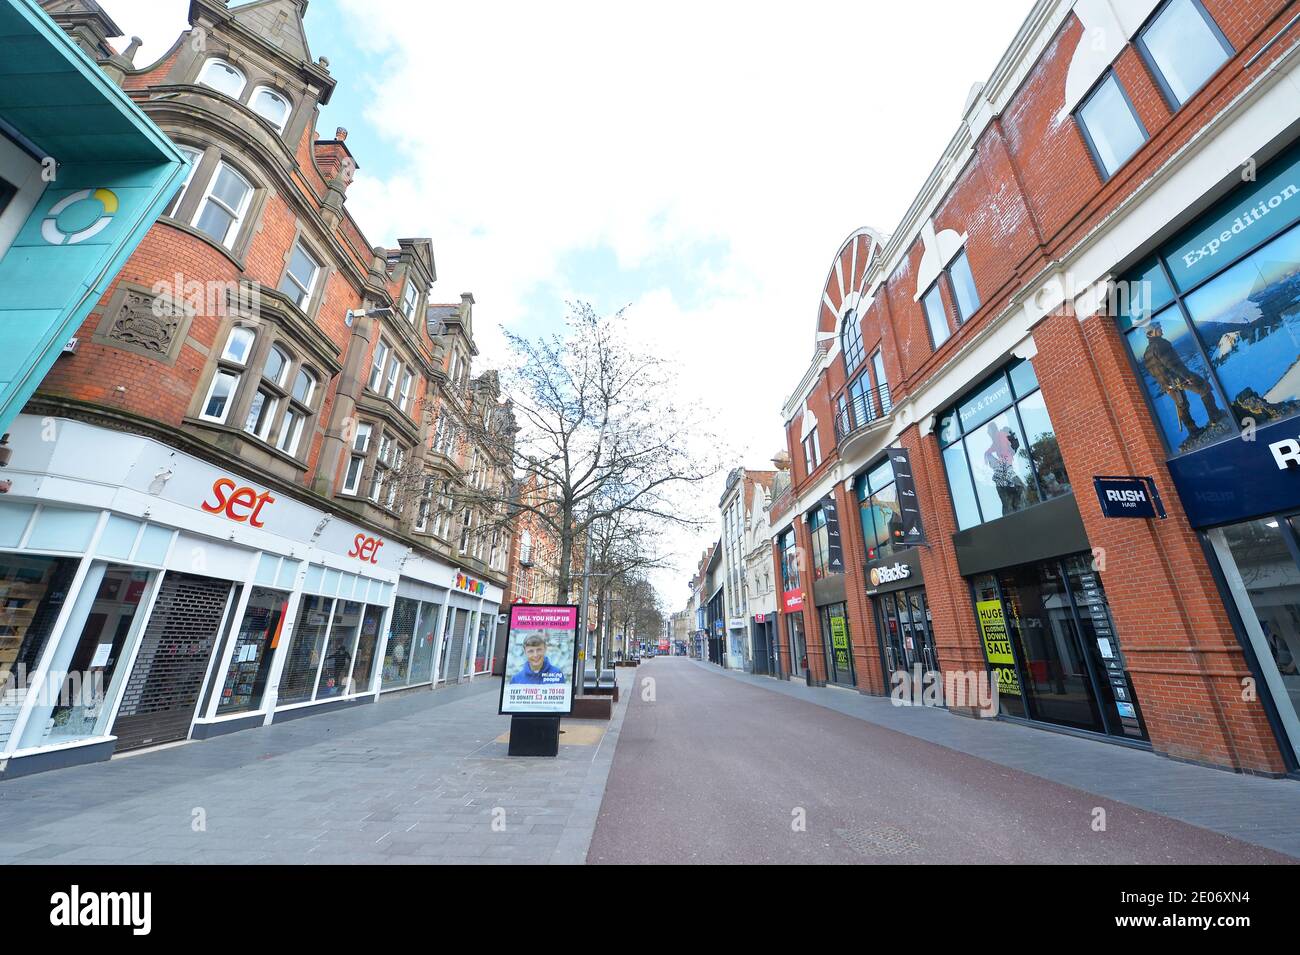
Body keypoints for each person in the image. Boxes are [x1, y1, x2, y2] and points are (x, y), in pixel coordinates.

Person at [1142, 321, 1225, 437]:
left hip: (1167, 384)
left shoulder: (1146, 353)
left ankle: (1193, 431)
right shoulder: (1161, 344)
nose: (1161, 328)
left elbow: (1154, 372)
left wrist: (1165, 385)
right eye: (1159, 328)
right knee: (1203, 387)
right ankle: (1215, 416)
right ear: (1152, 332)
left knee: (1182, 405)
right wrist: (1187, 376)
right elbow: (1172, 364)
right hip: (1178, 378)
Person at [983, 421, 1025, 515]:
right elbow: (990, 450)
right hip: (1004, 465)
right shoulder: (995, 439)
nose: (987, 433)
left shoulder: (1000, 436)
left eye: (988, 431)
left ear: (992, 429)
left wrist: (999, 464)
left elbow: (1006, 453)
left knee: (1013, 484)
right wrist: (986, 454)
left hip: (1007, 463)